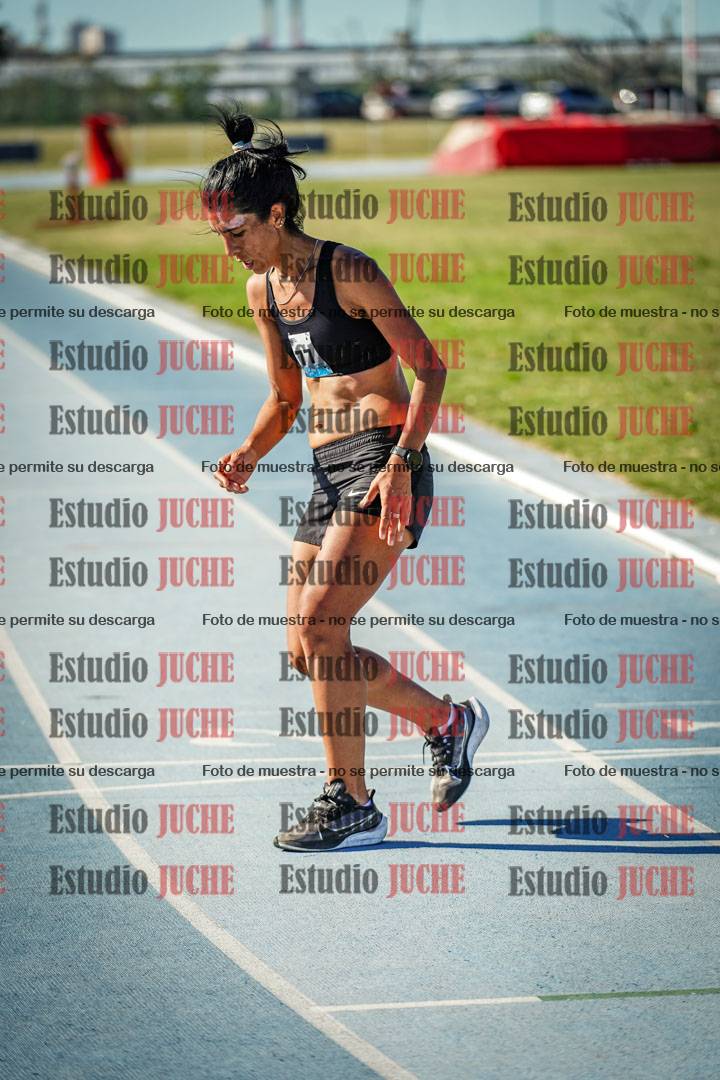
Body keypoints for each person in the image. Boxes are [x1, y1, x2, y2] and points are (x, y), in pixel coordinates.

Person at [203, 106, 489, 851]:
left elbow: (429, 368)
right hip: (326, 472)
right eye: (220, 236)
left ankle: (352, 802)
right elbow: (284, 397)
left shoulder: (348, 270)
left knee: (323, 626)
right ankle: (446, 722)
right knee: (308, 650)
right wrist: (249, 452)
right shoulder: (263, 291)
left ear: (276, 214)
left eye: (238, 232)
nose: (230, 248)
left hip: (383, 460)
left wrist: (403, 465)